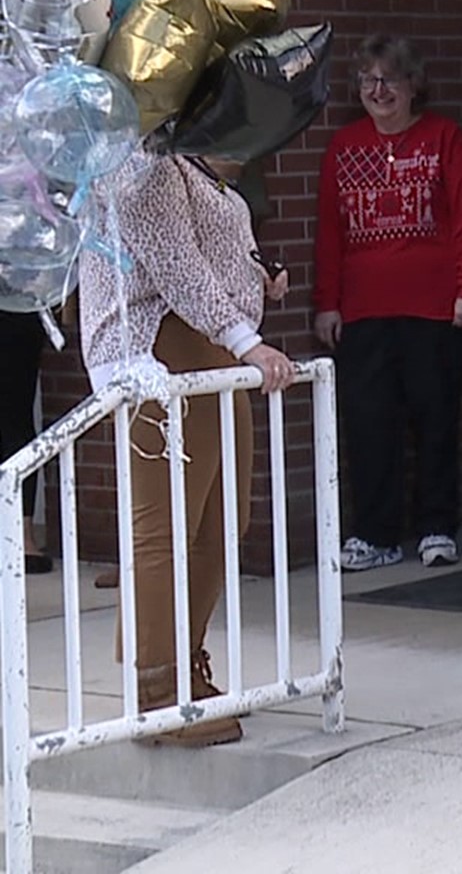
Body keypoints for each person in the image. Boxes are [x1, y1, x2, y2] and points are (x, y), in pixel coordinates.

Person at [78, 152, 297, 747]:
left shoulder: (206, 176)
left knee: (223, 521)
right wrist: (249, 343)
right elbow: (175, 267)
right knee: (166, 526)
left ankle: (186, 663)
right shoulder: (146, 167)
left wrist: (258, 283)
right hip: (159, 349)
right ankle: (157, 693)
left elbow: (208, 264)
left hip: (213, 347)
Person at [315, 36, 462, 572]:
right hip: (365, 312)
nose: (378, 90)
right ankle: (375, 534)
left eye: (389, 79)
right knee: (369, 424)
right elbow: (330, 234)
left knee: (435, 419)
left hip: (437, 310)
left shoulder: (445, 140)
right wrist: (327, 303)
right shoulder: (344, 148)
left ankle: (437, 527)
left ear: (414, 84)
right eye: (368, 81)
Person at [0, 311, 52, 575]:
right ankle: (24, 536)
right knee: (15, 419)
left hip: (16, 309)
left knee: (13, 419)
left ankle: (23, 536)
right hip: (21, 306)